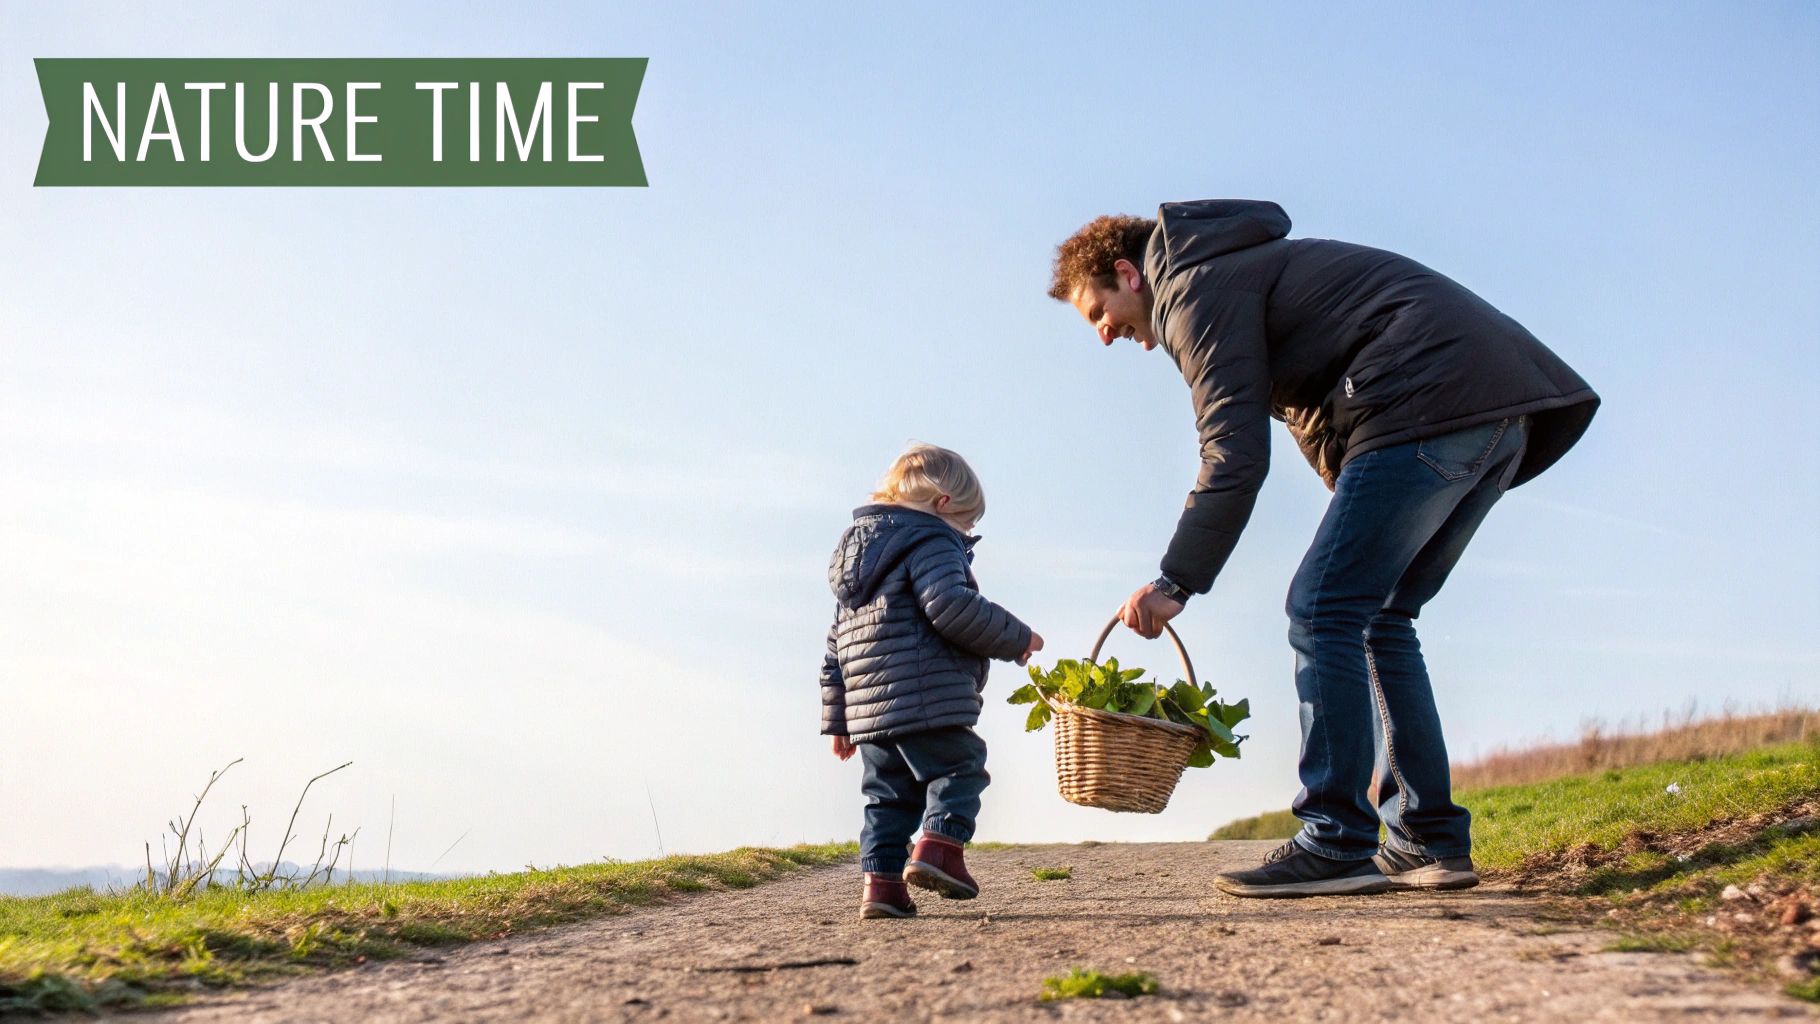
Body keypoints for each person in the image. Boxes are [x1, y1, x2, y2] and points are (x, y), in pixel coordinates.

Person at [1048, 201, 1598, 898]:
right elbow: (1315, 404)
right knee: (1380, 617)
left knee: (1321, 609)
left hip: (1429, 403)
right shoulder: (1232, 273)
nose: (1102, 335)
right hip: (1492, 414)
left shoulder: (1192, 288)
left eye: (1097, 310)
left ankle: (1336, 839)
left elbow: (1233, 452)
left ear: (1128, 274)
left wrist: (1174, 580)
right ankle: (1427, 838)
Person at [820, 443, 1044, 918]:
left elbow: (835, 646)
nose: (965, 533)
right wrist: (1016, 638)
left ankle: (880, 889)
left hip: (870, 716)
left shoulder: (859, 560)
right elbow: (951, 605)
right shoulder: (930, 540)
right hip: (924, 696)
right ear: (944, 505)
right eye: (966, 523)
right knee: (962, 766)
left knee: (886, 797)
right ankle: (939, 848)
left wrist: (840, 720)